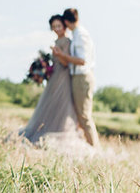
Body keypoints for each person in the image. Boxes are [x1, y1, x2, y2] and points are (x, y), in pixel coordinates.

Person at [18, 15, 88, 147]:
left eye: (59, 26)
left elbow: (66, 63)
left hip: (63, 78)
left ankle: (58, 132)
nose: (56, 29)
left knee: (61, 106)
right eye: (54, 27)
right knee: (50, 106)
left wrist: (58, 54)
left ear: (64, 26)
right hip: (54, 77)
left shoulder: (66, 41)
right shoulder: (57, 41)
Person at [52, 8, 100, 147]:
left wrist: (62, 55)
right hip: (78, 77)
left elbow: (82, 60)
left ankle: (95, 149)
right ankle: (88, 145)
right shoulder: (76, 34)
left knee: (84, 116)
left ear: (66, 22)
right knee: (79, 116)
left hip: (82, 77)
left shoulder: (81, 35)